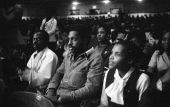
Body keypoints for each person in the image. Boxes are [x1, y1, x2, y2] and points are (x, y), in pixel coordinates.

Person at [45, 24, 103, 107]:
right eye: (69, 39)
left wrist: (62, 98)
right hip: (58, 96)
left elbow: (91, 88)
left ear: (85, 40)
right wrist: (51, 89)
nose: (69, 43)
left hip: (75, 102)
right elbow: (59, 73)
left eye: (74, 39)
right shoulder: (69, 55)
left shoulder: (95, 58)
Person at [98, 40, 150, 107]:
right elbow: (104, 103)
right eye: (112, 53)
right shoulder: (109, 73)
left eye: (117, 54)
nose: (111, 57)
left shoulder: (142, 79)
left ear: (129, 60)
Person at [144, 30, 170, 107]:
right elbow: (149, 73)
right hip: (162, 91)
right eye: (164, 39)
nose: (167, 42)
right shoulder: (157, 54)